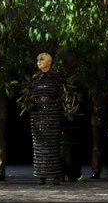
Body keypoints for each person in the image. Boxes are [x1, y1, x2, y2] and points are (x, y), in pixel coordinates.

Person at [20, 52, 78, 185]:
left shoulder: (57, 78)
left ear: (49, 62)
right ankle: (42, 175)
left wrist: (69, 111)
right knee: (39, 146)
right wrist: (28, 105)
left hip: (53, 115)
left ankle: (56, 175)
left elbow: (66, 94)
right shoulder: (34, 79)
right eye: (37, 59)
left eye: (41, 59)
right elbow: (26, 97)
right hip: (37, 117)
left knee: (53, 146)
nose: (38, 62)